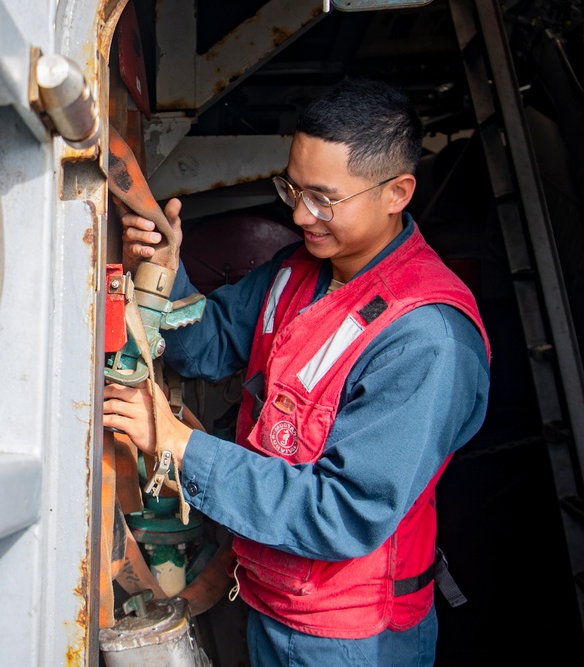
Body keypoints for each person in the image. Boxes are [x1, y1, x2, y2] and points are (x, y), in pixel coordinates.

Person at [102, 77, 491, 666]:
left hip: (350, 640)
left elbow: (343, 513)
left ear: (397, 192)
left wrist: (179, 445)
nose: (299, 213)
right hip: (270, 601)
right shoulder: (300, 269)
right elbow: (205, 346)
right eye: (292, 187)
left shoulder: (426, 339)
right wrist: (166, 271)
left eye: (323, 199)